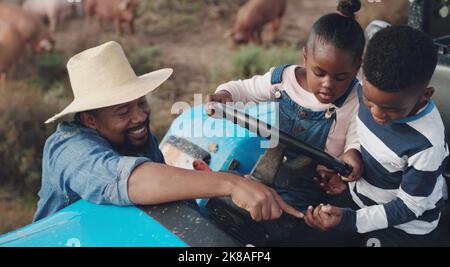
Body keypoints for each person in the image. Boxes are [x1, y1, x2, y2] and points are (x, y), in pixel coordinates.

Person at [33, 41, 303, 223]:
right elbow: (129, 181)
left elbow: (162, 191)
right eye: (123, 111)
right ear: (91, 120)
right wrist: (231, 184)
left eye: (141, 102)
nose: (139, 116)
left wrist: (217, 185)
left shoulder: (133, 135)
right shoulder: (68, 148)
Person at [207, 0, 366, 210]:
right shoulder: (282, 80)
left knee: (277, 217)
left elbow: (357, 136)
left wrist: (352, 155)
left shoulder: (356, 98)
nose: (328, 84)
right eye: (319, 73)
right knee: (224, 202)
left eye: (341, 77)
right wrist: (226, 94)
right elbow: (244, 89)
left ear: (357, 67)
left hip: (315, 183)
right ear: (306, 56)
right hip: (270, 168)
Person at [303, 25, 449, 247]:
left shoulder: (426, 144)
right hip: (360, 201)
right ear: (363, 75)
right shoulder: (364, 89)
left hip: (405, 228)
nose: (376, 113)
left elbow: (410, 207)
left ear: (424, 96)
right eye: (370, 101)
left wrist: (350, 220)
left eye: (391, 108)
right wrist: (352, 153)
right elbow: (363, 136)